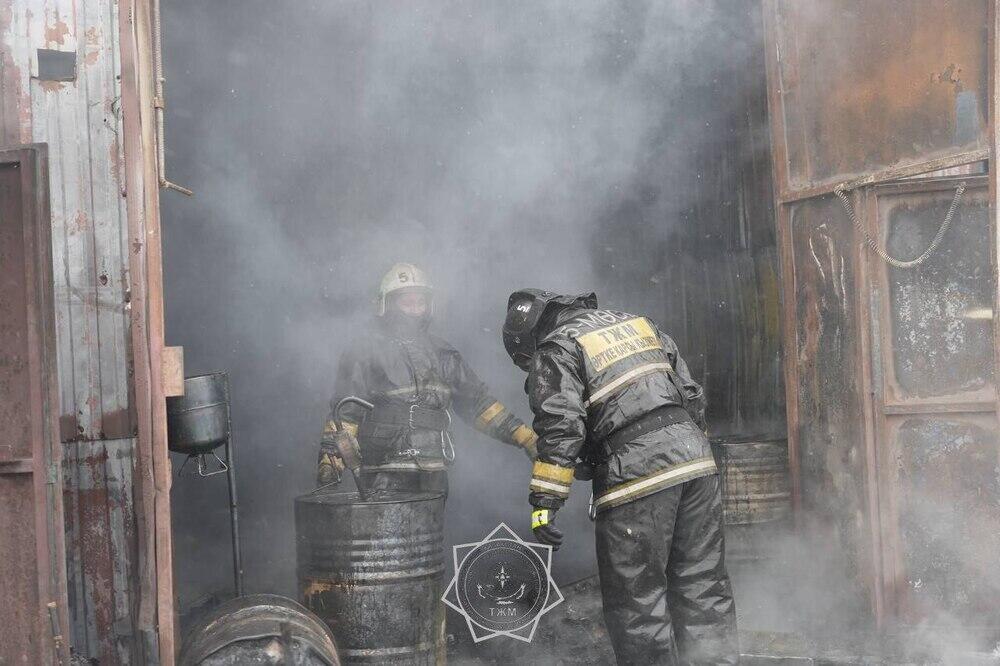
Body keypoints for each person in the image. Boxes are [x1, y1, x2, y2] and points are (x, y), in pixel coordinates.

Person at [502, 288, 738, 665]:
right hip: (696, 463)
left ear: (527, 339)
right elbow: (691, 395)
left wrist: (545, 503)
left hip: (636, 475)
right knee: (702, 585)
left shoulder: (556, 347)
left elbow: (561, 426)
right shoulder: (637, 324)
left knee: (638, 599)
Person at [317, 263, 537, 496]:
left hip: (433, 472)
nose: (415, 310)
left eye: (420, 302)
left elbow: (478, 404)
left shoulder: (443, 353)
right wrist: (331, 463)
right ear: (386, 304)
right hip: (384, 471)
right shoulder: (365, 351)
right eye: (407, 302)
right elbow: (346, 412)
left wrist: (525, 437)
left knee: (429, 534)